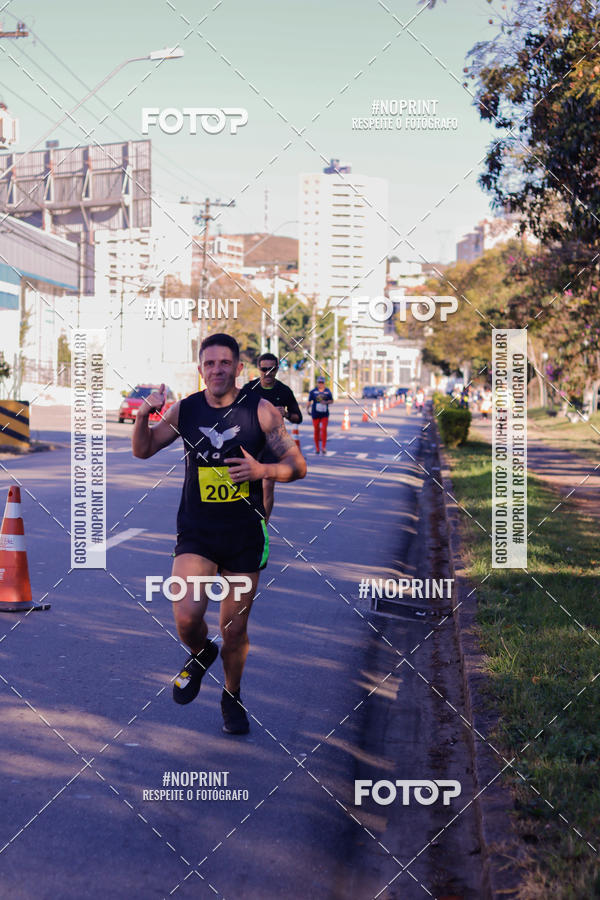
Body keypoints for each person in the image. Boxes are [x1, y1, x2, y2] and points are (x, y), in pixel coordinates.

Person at [132, 333, 306, 735]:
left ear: (238, 368)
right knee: (187, 615)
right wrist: (144, 415)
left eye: (224, 363)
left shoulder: (262, 413)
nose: (216, 370)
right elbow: (143, 450)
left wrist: (263, 471)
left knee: (234, 629)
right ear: (200, 369)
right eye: (209, 363)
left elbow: (297, 466)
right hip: (197, 531)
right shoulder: (185, 410)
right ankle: (200, 651)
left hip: (245, 534)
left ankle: (232, 694)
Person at [239, 353, 303, 522]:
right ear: (258, 369)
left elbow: (298, 417)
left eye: (272, 369)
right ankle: (247, 522)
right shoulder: (249, 389)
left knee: (267, 485)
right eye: (264, 369)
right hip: (251, 441)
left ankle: (263, 526)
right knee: (248, 486)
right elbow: (235, 411)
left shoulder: (283, 391)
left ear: (277, 369)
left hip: (272, 442)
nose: (268, 373)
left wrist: (286, 413)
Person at [307, 375, 333, 454]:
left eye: (322, 383)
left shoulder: (327, 391)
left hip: (324, 413)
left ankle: (323, 447)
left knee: (324, 429)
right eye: (319, 383)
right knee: (316, 430)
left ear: (324, 383)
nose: (320, 384)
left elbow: (331, 401)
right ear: (317, 383)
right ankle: (317, 448)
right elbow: (309, 401)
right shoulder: (313, 391)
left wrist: (326, 402)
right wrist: (307, 409)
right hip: (315, 413)